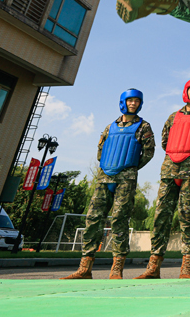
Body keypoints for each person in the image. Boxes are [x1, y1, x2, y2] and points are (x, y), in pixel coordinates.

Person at [135, 78, 190, 279]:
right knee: (160, 216)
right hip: (169, 169)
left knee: (187, 217)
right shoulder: (173, 116)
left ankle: (186, 267)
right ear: (186, 91)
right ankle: (153, 266)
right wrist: (175, 152)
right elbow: (165, 139)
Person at [62, 89, 155, 280]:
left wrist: (130, 166)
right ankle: (85, 268)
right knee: (93, 218)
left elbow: (148, 152)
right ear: (123, 102)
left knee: (120, 219)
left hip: (126, 178)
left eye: (137, 101)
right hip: (104, 177)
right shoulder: (109, 127)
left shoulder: (143, 126)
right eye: (130, 100)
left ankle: (116, 269)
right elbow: (100, 149)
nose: (133, 104)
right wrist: (106, 167)